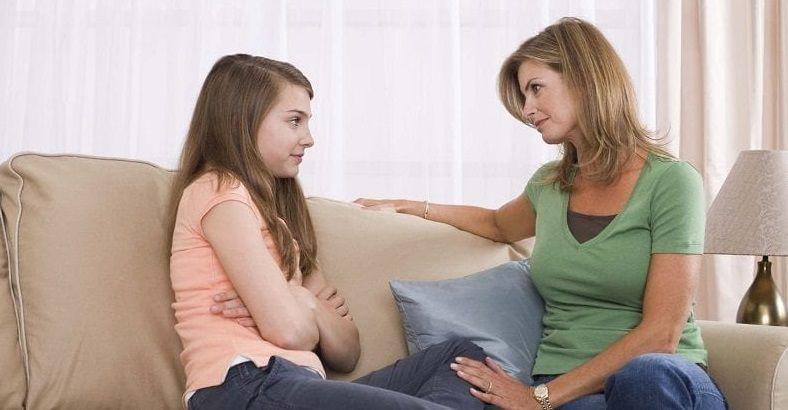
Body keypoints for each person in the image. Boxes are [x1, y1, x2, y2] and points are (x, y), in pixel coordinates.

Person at [355, 18, 728, 409]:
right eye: (523, 96)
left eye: (536, 89)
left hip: (663, 384)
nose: (527, 110)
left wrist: (539, 398)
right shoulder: (549, 185)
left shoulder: (672, 182)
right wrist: (414, 207)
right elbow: (497, 224)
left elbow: (662, 335)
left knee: (645, 374)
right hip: (569, 389)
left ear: (584, 79)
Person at [168, 54, 486, 410]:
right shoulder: (218, 191)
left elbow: (346, 352)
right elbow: (289, 332)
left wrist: (303, 301)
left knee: (463, 358)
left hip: (293, 384)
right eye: (294, 121)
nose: (309, 139)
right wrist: (301, 307)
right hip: (244, 385)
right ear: (242, 121)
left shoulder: (281, 224)